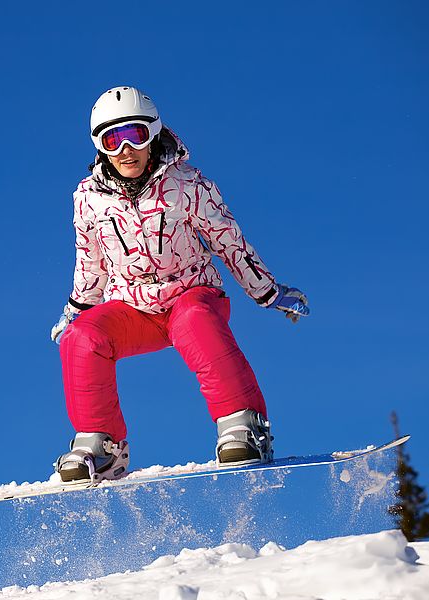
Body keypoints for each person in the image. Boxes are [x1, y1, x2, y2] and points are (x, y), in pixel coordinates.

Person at [49, 86, 309, 483]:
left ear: (152, 133)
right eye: (111, 140)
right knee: (81, 339)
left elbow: (228, 240)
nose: (124, 150)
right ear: (99, 146)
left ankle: (243, 426)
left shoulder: (188, 184)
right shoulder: (88, 197)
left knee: (193, 322)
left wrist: (267, 292)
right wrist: (77, 310)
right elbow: (90, 261)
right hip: (134, 308)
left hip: (193, 294)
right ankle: (103, 447)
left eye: (133, 135)